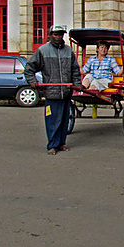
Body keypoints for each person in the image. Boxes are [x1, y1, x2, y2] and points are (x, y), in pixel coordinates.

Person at [24, 25, 83, 155]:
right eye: (55, 34)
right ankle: (52, 145)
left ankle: (61, 143)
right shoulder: (43, 50)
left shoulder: (68, 51)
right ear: (51, 35)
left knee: (64, 120)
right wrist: (32, 81)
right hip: (52, 93)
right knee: (52, 121)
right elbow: (29, 68)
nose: (58, 37)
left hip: (66, 92)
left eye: (60, 34)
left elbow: (75, 69)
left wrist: (77, 83)